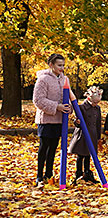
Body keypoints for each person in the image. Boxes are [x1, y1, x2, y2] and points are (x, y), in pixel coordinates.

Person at [33, 53, 71, 187]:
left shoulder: (64, 79)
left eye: (63, 65)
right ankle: (39, 176)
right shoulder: (43, 79)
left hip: (59, 120)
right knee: (44, 147)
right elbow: (38, 100)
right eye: (59, 65)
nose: (62, 68)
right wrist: (57, 106)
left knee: (53, 148)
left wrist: (68, 109)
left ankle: (48, 174)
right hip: (46, 119)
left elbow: (69, 97)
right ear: (51, 65)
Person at [68, 86, 103, 184]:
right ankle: (79, 174)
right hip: (83, 135)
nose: (96, 104)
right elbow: (76, 121)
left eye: (97, 102)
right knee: (81, 155)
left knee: (89, 155)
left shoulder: (97, 108)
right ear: (88, 98)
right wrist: (77, 122)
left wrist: (98, 136)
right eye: (94, 102)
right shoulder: (81, 108)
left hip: (93, 134)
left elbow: (98, 122)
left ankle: (87, 174)